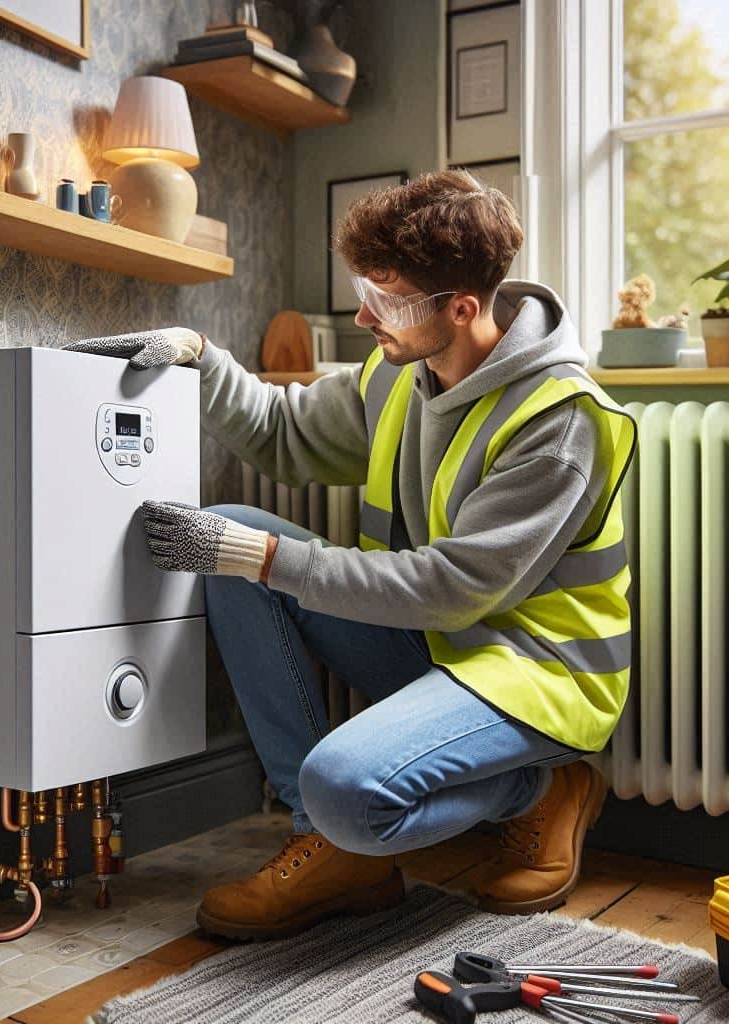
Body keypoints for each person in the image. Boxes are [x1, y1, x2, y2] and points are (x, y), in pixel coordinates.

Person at [65, 170, 636, 940]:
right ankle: (333, 850)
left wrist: (269, 557)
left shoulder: (561, 421)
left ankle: (539, 789)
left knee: (344, 786)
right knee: (231, 538)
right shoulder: (400, 368)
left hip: (534, 674)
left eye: (387, 299)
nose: (365, 314)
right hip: (439, 648)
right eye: (364, 287)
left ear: (462, 309)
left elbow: (452, 587)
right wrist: (199, 358)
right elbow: (283, 433)